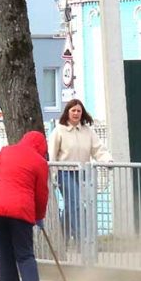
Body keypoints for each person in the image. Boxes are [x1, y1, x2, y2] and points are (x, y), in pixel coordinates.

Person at [0, 131, 50, 281]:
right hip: (21, 212)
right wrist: (39, 216)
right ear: (42, 147)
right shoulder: (40, 162)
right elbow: (42, 194)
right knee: (25, 255)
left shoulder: (6, 151)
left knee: (4, 257)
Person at [48, 99, 111, 243]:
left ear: (82, 113)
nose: (76, 113)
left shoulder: (87, 131)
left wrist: (107, 160)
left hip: (82, 172)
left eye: (78, 111)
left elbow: (98, 149)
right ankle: (82, 241)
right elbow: (51, 154)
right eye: (73, 110)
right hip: (65, 172)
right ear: (67, 112)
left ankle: (61, 239)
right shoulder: (59, 130)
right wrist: (53, 175)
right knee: (75, 203)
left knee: (73, 205)